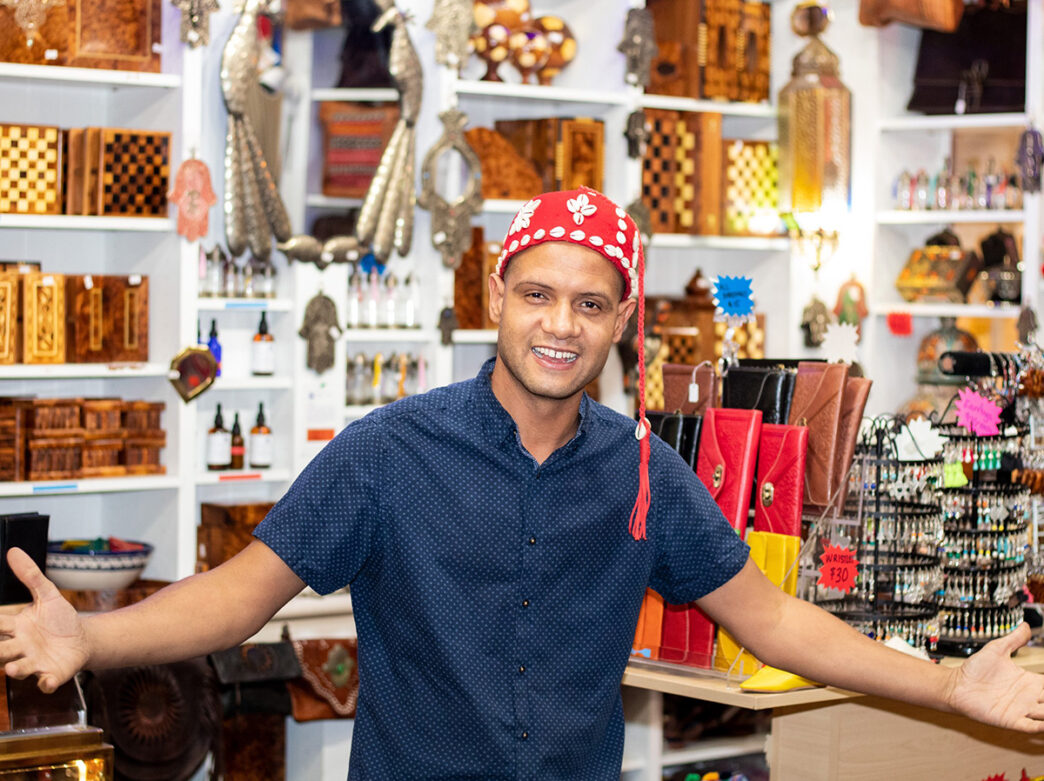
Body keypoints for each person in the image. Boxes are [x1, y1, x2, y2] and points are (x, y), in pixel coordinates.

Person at [2, 187, 1044, 779]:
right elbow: (241, 594)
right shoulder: (389, 452)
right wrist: (92, 637)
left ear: (623, 320)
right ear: (496, 294)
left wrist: (949, 683)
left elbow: (777, 622)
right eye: (537, 294)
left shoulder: (647, 470)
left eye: (590, 305)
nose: (560, 323)